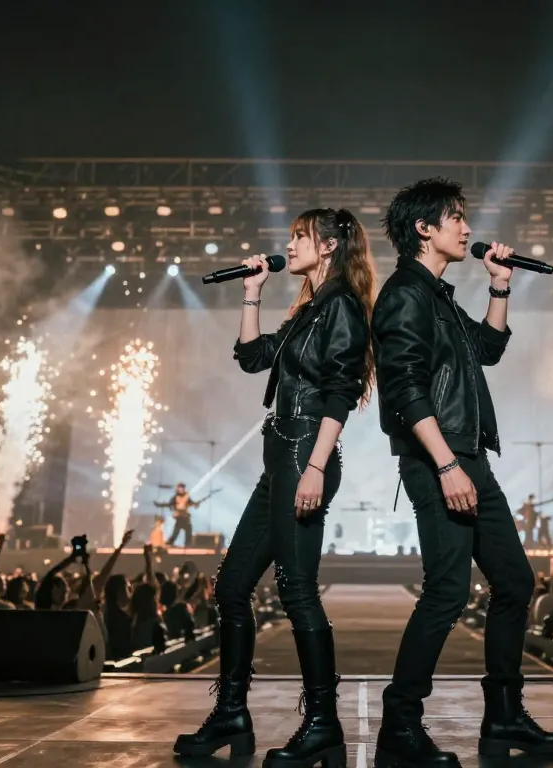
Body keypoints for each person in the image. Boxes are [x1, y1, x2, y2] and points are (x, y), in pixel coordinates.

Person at [371, 178, 553, 765]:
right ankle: (400, 724)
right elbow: (404, 389)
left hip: (468, 458)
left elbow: (487, 348)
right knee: (447, 591)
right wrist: (446, 464)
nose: (466, 227)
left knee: (514, 582)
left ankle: (503, 717)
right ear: (423, 228)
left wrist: (500, 285)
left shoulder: (437, 296)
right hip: (441, 461)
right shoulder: (404, 295)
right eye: (454, 217)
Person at [175, 208, 375, 768]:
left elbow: (341, 390)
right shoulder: (309, 307)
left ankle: (322, 722)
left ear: (329, 246)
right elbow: (252, 358)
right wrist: (251, 293)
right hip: (279, 455)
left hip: (305, 451)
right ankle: (231, 713)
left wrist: (315, 467)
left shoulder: (341, 305)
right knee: (232, 585)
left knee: (296, 588)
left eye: (299, 237)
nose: (289, 245)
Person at [156, 483, 200, 547]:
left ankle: (187, 544)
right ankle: (170, 542)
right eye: (180, 488)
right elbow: (170, 504)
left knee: (188, 530)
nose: (181, 489)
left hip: (185, 517)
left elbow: (191, 503)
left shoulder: (187, 497)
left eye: (182, 488)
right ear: (178, 489)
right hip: (179, 517)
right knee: (176, 531)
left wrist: (195, 504)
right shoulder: (175, 497)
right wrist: (170, 507)